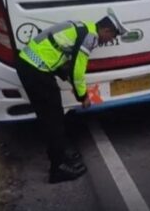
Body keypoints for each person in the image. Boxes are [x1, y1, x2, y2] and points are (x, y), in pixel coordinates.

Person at [16, 10, 127, 183]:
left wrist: (71, 84)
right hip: (35, 70)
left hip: (31, 66)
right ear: (106, 30)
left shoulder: (82, 28)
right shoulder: (90, 36)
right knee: (53, 119)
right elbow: (78, 70)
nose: (110, 41)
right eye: (112, 37)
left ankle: (60, 157)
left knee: (53, 117)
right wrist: (83, 96)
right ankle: (57, 169)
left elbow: (59, 55)